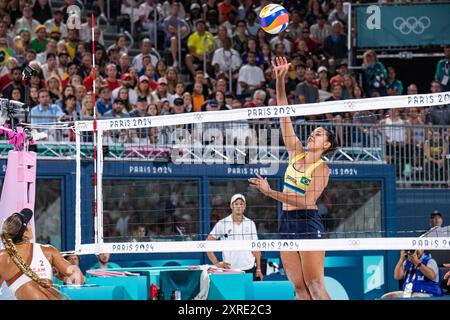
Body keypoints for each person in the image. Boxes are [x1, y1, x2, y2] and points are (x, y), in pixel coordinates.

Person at [249, 57, 335, 300]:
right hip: (286, 221)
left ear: (326, 145)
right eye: (313, 132)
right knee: (299, 289)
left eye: (318, 134)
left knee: (315, 286)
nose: (312, 135)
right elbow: (283, 114)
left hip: (307, 222)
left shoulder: (321, 168)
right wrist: (279, 80)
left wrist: (270, 192)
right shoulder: (295, 152)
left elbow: (307, 201)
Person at [0, 209, 84, 300]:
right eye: (29, 224)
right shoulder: (47, 251)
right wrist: (61, 277)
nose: (31, 226)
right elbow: (79, 279)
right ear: (25, 233)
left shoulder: (2, 258)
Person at [207, 194, 263, 281]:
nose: (239, 206)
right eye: (236, 204)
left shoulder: (250, 223)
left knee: (248, 294)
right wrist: (216, 263)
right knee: (232, 294)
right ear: (231, 206)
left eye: (241, 204)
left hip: (249, 268)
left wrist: (258, 268)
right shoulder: (222, 223)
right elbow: (208, 243)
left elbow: (255, 247)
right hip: (230, 269)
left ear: (244, 206)